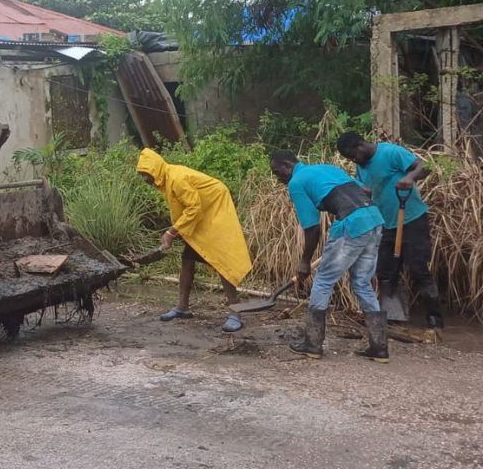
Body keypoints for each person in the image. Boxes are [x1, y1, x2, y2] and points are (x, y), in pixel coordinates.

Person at [269, 150, 389, 362]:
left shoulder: (296, 182)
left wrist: (304, 262)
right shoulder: (325, 168)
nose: (278, 178)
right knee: (362, 282)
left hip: (352, 224)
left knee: (323, 281)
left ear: (288, 165)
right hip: (374, 219)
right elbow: (366, 191)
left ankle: (313, 344)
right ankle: (379, 348)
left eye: (278, 172)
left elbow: (312, 228)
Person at [136, 148, 252, 332]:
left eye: (146, 173)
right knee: (187, 259)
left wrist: (171, 232)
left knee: (221, 260)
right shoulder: (166, 179)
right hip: (201, 216)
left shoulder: (176, 178)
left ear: (155, 169)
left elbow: (194, 208)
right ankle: (182, 307)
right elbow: (183, 208)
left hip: (215, 212)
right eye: (142, 174)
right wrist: (178, 230)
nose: (145, 179)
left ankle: (235, 312)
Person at [336, 132, 444, 329]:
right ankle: (394, 317)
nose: (353, 160)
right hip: (385, 225)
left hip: (411, 219)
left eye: (353, 156)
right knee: (386, 273)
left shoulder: (390, 152)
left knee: (419, 269)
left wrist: (410, 177)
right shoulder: (361, 167)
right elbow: (368, 189)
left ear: (360, 145)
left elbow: (424, 167)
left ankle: (435, 319)